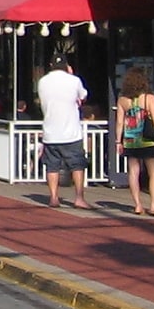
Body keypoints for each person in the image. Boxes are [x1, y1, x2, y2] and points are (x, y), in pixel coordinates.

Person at [37, 52, 92, 209]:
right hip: (71, 132)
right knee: (77, 165)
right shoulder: (74, 81)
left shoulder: (42, 82)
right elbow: (83, 96)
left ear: (51, 66)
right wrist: (71, 74)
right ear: (67, 66)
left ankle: (54, 197)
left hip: (50, 132)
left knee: (52, 166)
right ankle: (79, 198)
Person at [117, 67, 154, 217]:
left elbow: (120, 122)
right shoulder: (149, 98)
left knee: (133, 172)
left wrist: (117, 141)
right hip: (147, 139)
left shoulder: (122, 100)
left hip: (131, 139)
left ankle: (138, 205)